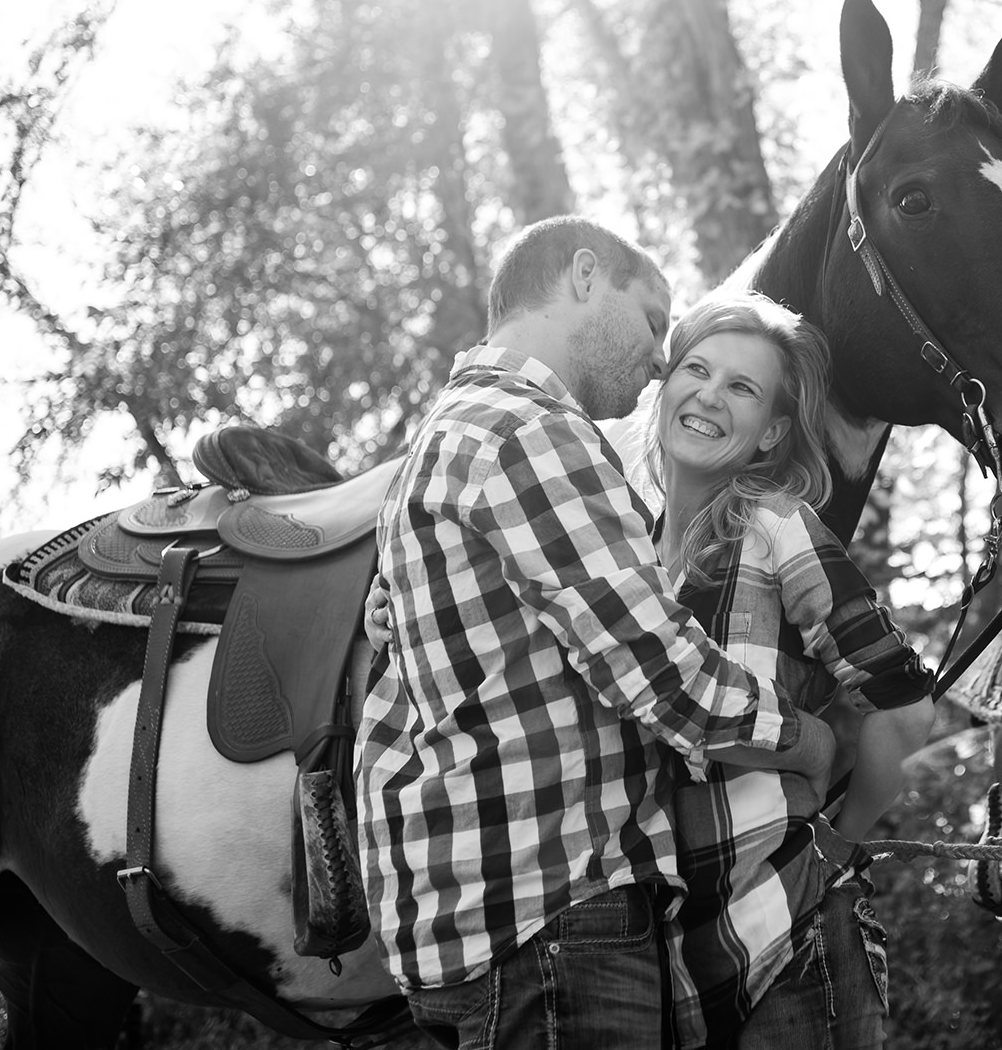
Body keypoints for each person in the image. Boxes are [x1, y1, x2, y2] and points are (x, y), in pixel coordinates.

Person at [358, 217, 837, 1050]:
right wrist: (807, 741)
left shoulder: (441, 438)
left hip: (460, 926)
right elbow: (659, 666)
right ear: (585, 275)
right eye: (656, 322)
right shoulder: (529, 430)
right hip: (551, 917)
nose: (661, 360)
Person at [645, 291, 936, 1050]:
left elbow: (904, 706)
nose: (709, 393)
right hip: (673, 971)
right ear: (667, 384)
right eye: (697, 369)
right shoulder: (628, 560)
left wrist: (841, 840)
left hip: (794, 941)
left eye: (741, 387)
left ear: (772, 430)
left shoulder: (775, 526)